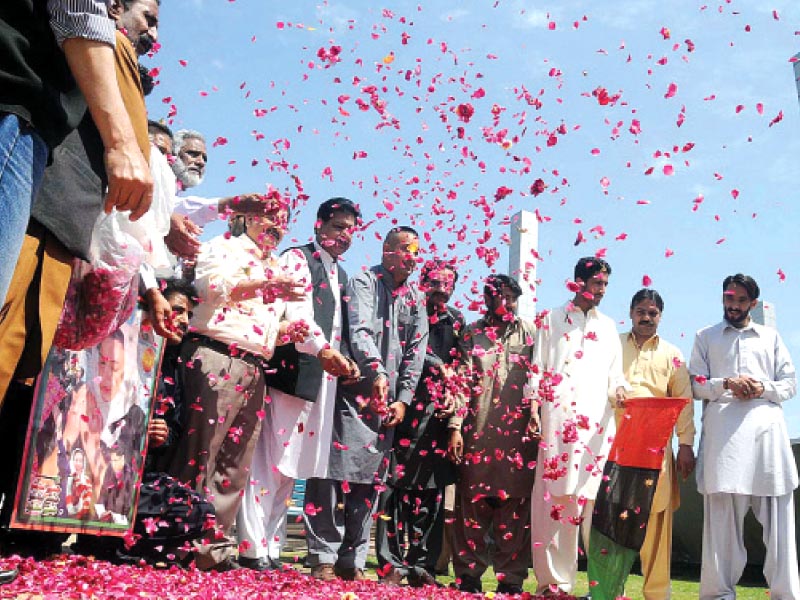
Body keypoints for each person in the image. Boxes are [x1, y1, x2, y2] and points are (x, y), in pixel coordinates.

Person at [162, 194, 309, 571]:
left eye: (283, 220)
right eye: (268, 217)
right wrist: (265, 284)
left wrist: (288, 330)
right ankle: (176, 542)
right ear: (245, 218)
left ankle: (213, 549)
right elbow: (209, 289)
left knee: (234, 464)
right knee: (200, 454)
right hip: (215, 355)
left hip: (254, 365)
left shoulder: (273, 266)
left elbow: (264, 328)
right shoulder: (222, 247)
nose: (276, 226)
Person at [0, 0, 152, 309]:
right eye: (147, 18)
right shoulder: (112, 44)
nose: (153, 33)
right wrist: (121, 144)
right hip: (14, 114)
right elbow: (79, 11)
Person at [237, 198, 361, 570]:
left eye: (350, 229)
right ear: (319, 225)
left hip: (321, 380)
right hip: (292, 371)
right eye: (338, 226)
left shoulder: (340, 273)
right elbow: (298, 316)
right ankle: (251, 546)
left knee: (292, 466)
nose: (345, 235)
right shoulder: (298, 258)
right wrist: (323, 350)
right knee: (271, 460)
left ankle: (272, 547)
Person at [305, 226, 428, 582]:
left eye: (416, 251)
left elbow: (415, 355)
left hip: (386, 403)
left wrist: (403, 399)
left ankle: (352, 561)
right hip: (352, 391)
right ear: (387, 250)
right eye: (406, 249)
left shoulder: (416, 299)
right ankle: (323, 557)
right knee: (331, 475)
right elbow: (358, 329)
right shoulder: (363, 281)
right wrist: (376, 371)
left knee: (369, 483)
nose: (412, 257)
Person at [689, 274, 800, 600]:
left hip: (766, 442)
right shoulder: (705, 337)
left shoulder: (771, 337)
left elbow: (790, 384)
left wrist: (760, 387)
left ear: (753, 303)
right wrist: (726, 383)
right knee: (721, 526)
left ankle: (786, 594)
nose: (733, 306)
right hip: (724, 444)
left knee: (780, 526)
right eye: (728, 299)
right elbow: (696, 385)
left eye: (740, 301)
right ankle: (718, 594)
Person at [529, 256, 629, 596]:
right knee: (555, 504)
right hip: (557, 425)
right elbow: (538, 367)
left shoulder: (608, 327)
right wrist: (533, 408)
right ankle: (554, 584)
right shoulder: (552, 319)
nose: (601, 291)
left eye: (605, 285)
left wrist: (620, 390)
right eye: (597, 283)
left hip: (598, 430)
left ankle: (604, 588)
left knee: (594, 507)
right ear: (578, 282)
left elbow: (617, 376)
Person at [375, 259, 465, 588]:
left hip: (436, 420)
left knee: (433, 495)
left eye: (447, 284)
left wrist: (454, 415)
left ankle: (424, 565)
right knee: (395, 493)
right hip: (402, 412)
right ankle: (392, 564)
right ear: (423, 283)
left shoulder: (457, 322)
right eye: (435, 283)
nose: (441, 289)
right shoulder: (407, 310)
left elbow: (462, 372)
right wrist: (438, 364)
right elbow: (400, 350)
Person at [447, 274, 537, 595]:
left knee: (514, 512)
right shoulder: (471, 334)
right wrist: (456, 428)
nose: (507, 303)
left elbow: (539, 382)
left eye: (512, 297)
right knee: (471, 508)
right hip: (477, 437)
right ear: (486, 299)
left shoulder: (531, 334)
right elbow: (460, 381)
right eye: (501, 296)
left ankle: (511, 581)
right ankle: (468, 576)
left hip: (518, 444)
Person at [619, 288, 695, 600]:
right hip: (615, 445)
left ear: (660, 316)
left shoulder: (673, 355)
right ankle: (608, 590)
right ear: (631, 312)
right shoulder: (612, 346)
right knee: (612, 522)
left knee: (656, 520)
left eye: (653, 312)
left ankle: (657, 594)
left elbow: (684, 402)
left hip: (655, 448)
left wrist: (686, 445)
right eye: (641, 311)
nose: (647, 317)